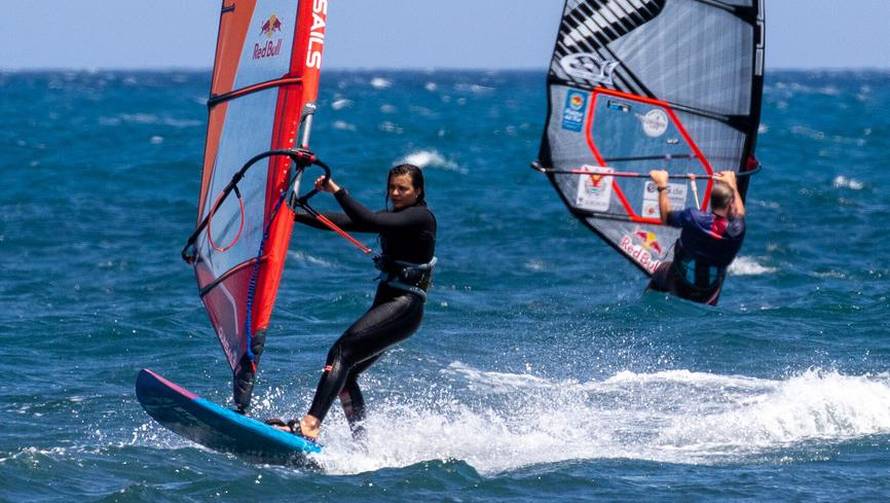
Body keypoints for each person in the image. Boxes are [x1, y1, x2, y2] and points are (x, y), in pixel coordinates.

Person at [266, 163, 437, 441]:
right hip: (393, 306)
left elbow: (369, 220)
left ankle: (310, 424)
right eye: (392, 188)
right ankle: (361, 443)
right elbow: (347, 222)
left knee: (341, 352)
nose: (395, 193)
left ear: (418, 191)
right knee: (347, 374)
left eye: (403, 189)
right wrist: (292, 215)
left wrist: (336, 190)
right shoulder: (397, 218)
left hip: (404, 306)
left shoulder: (420, 218)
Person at [647, 169, 746, 306]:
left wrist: (662, 185)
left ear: (711, 201)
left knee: (662, 270)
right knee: (716, 275)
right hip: (707, 294)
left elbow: (667, 218)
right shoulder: (736, 231)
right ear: (730, 204)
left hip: (678, 286)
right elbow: (740, 213)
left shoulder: (693, 218)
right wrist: (733, 185)